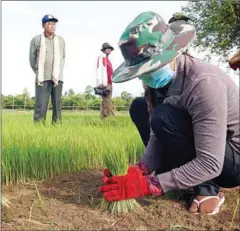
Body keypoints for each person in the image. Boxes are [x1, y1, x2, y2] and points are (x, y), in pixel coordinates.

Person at [99, 11, 240, 215]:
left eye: (152, 68)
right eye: (143, 72)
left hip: (230, 160)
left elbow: (211, 161)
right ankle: (176, 177)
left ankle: (207, 188)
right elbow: (157, 133)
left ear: (171, 52)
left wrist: (148, 186)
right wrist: (140, 170)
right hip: (199, 147)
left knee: (163, 115)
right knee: (140, 107)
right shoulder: (155, 86)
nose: (147, 77)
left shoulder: (203, 84)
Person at [29, 14, 66, 124]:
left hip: (57, 78)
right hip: (42, 77)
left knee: (57, 104)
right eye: (49, 24)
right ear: (43, 26)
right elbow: (32, 58)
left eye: (54, 24)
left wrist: (58, 71)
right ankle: (39, 125)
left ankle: (57, 125)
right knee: (41, 104)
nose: (52, 26)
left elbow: (63, 56)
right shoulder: (36, 40)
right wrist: (38, 71)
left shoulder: (61, 40)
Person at [95, 43, 115, 119]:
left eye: (110, 48)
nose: (109, 49)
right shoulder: (102, 58)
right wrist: (100, 82)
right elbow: (99, 69)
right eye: (107, 48)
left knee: (105, 101)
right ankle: (111, 117)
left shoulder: (107, 59)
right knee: (107, 101)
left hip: (110, 82)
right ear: (103, 50)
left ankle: (102, 117)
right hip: (105, 83)